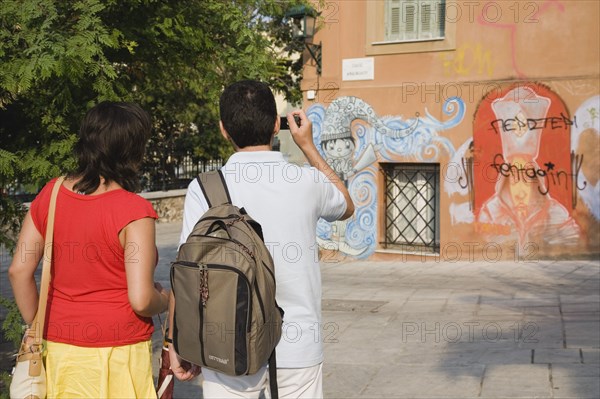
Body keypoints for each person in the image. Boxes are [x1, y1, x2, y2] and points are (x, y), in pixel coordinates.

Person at [169, 79, 355, 398]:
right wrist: (308, 146)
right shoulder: (307, 181)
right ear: (275, 126)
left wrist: (175, 340)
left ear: (223, 129)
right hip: (298, 345)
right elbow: (346, 204)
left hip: (226, 341)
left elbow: (186, 267)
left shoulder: (205, 188)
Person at [8, 101, 169, 398]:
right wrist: (166, 299)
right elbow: (141, 299)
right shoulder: (134, 211)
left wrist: (38, 325)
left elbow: (19, 270)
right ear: (133, 151)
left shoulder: (51, 194)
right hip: (120, 348)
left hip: (59, 346)